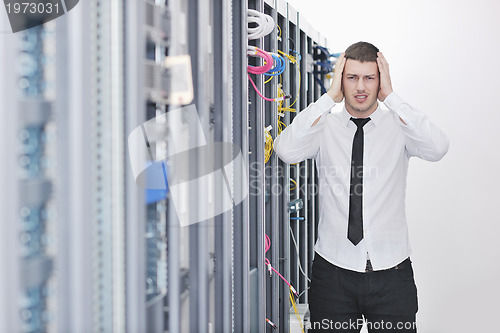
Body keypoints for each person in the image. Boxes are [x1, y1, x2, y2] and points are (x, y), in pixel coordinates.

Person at [274, 42, 449, 332]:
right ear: (341, 80)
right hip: (333, 274)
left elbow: (439, 147)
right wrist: (328, 98)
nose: (360, 87)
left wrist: (392, 98)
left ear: (381, 80)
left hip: (392, 275)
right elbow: (286, 150)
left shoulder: (400, 128)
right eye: (352, 77)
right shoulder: (324, 127)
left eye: (369, 77)